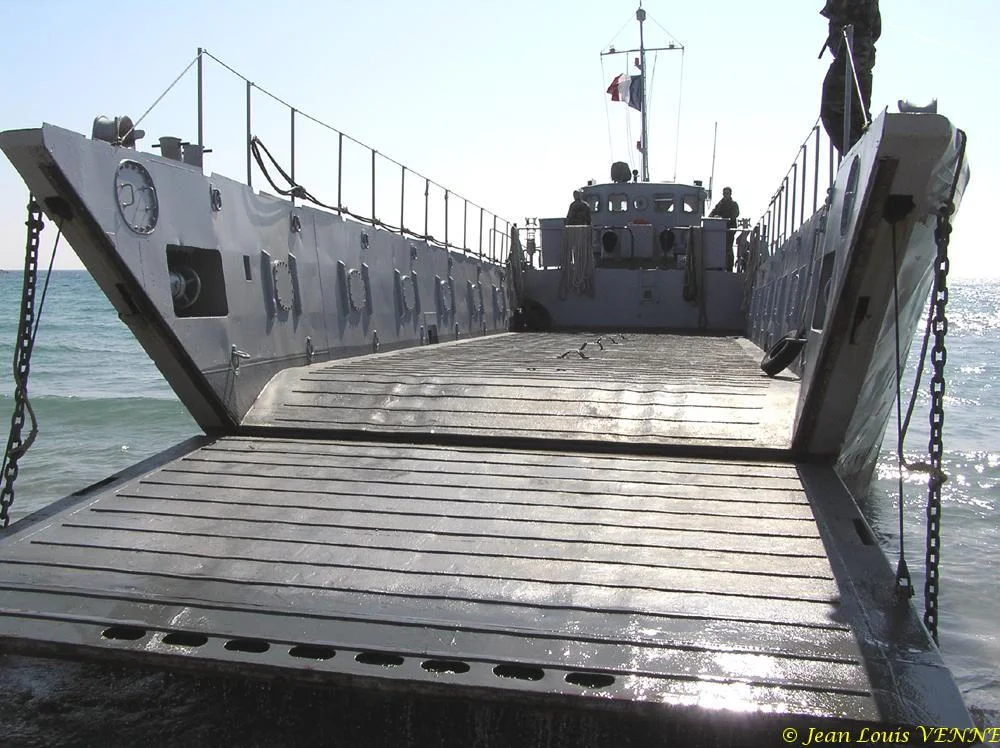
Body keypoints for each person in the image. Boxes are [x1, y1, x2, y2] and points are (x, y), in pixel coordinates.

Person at [819, 0, 881, 154]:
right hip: (853, 51)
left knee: (834, 109)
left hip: (853, 51)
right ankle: (859, 151)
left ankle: (859, 152)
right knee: (849, 112)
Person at [709, 187, 739, 272]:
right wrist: (711, 217)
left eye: (727, 193)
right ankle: (718, 266)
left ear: (730, 194)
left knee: (728, 249)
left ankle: (729, 267)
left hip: (729, 230)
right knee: (718, 248)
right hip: (719, 230)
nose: (725, 195)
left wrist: (724, 218)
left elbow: (735, 214)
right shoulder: (720, 204)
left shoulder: (734, 204)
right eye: (724, 193)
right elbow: (714, 211)